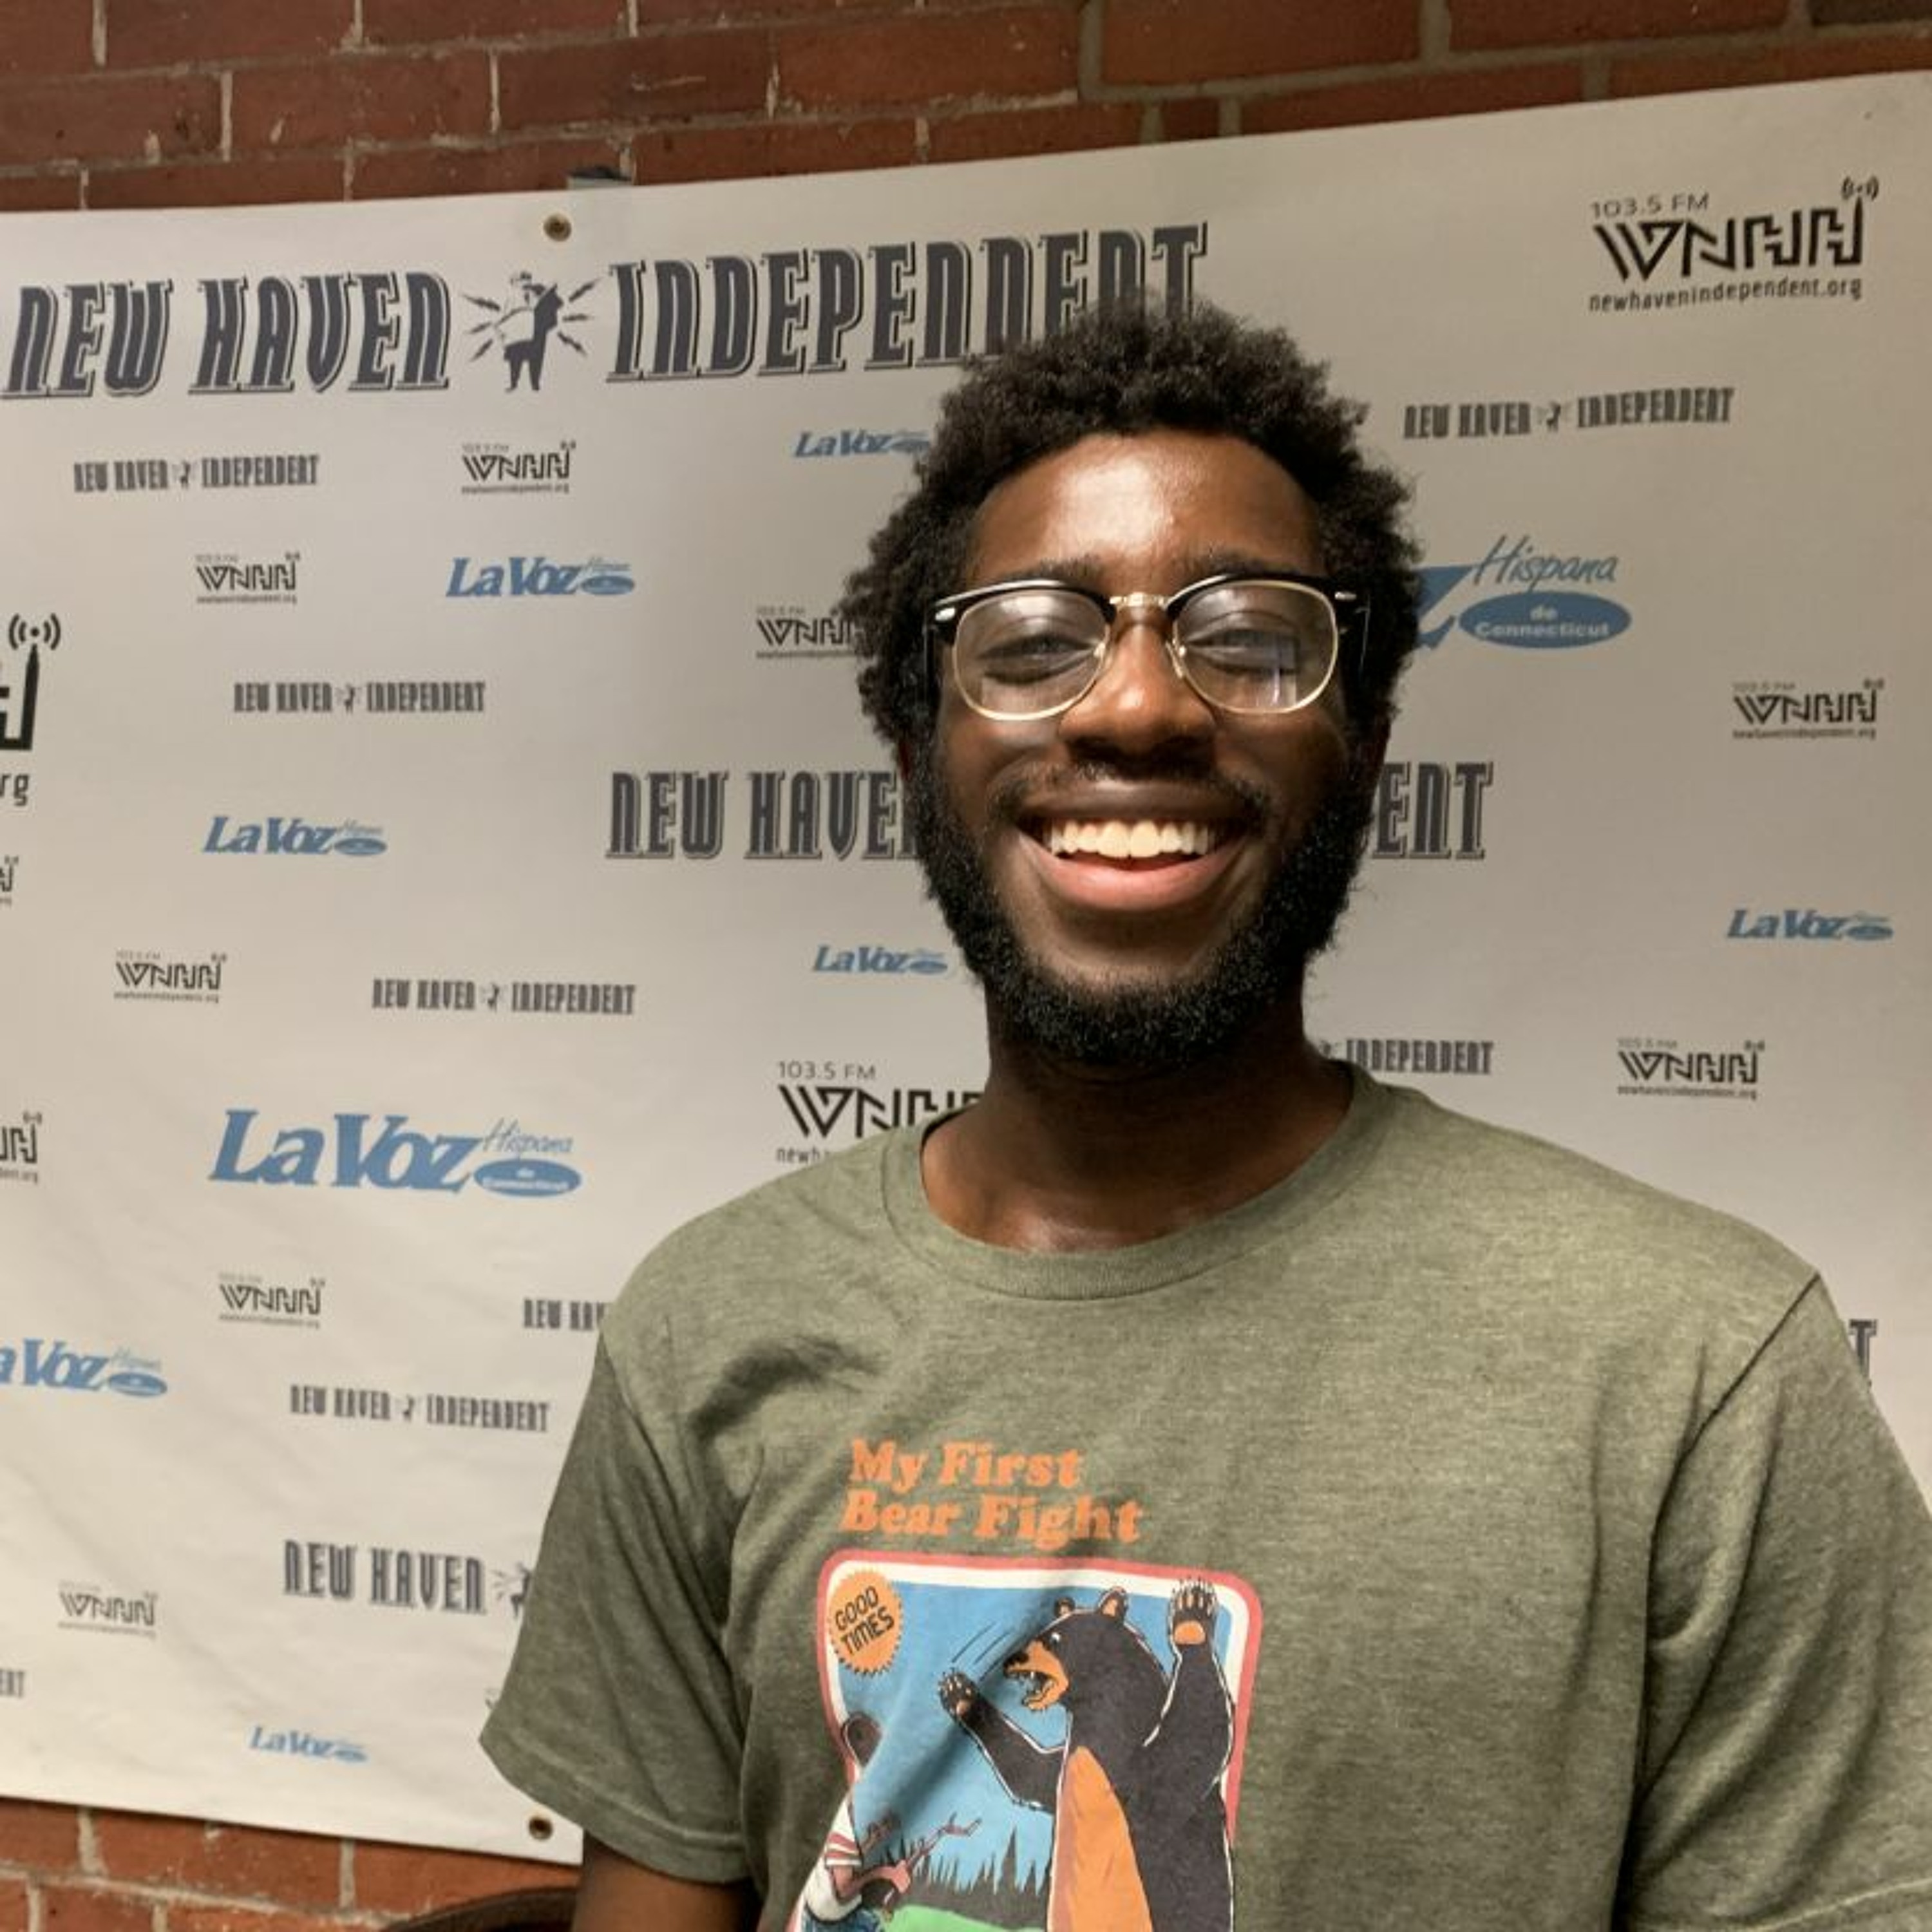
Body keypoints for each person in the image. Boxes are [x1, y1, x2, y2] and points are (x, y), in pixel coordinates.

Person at [481, 303, 1932, 1931]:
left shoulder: (1699, 1376)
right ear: (915, 744)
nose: (1138, 708)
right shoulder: (710, 1326)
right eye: (1031, 641)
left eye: (1246, 639)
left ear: (1364, 744)